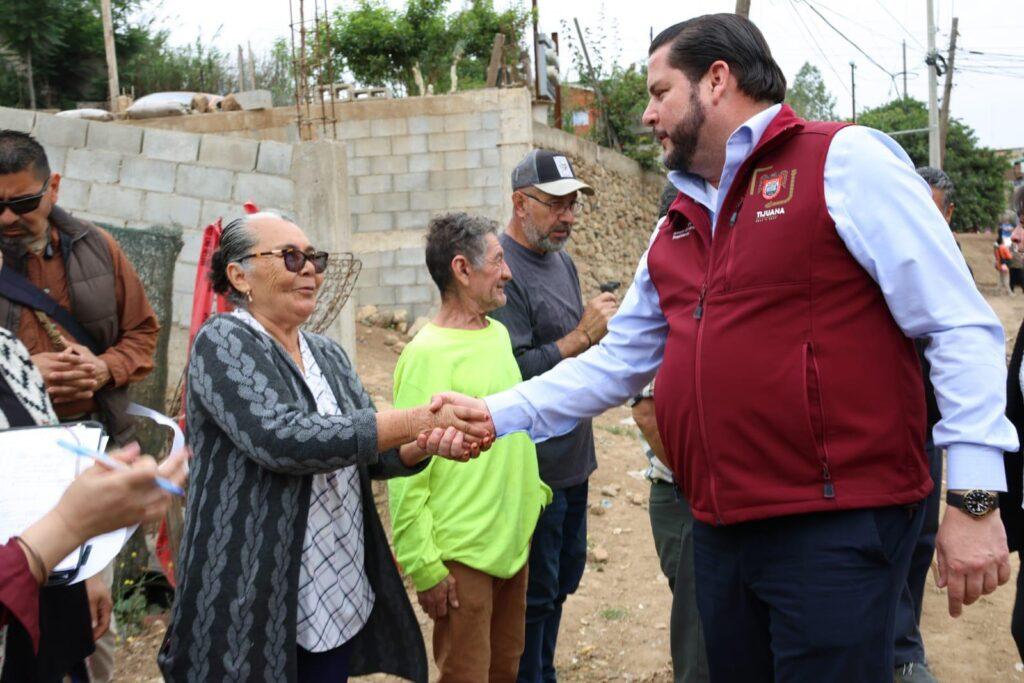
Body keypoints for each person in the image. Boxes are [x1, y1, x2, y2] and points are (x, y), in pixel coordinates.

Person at [435, 14, 1017, 681]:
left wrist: (974, 494)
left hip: (836, 528)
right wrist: (497, 413)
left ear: (717, 80)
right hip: (718, 527)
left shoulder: (843, 160)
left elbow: (957, 324)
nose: (647, 114)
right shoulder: (676, 224)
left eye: (659, 93)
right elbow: (619, 361)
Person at [158, 212, 493, 683]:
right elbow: (284, 439)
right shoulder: (224, 341)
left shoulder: (327, 354)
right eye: (291, 257)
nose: (310, 269)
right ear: (239, 275)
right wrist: (417, 417)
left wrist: (425, 443)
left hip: (332, 587)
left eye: (314, 258)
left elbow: (371, 454)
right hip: (253, 596)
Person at [0, 129, 161, 681]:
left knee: (90, 634)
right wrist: (21, 376)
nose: (7, 219)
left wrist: (106, 367)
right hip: (10, 475)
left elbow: (142, 333)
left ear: (54, 187)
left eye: (22, 203)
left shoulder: (97, 247)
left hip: (87, 462)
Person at [388, 212, 551, 681]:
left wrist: (532, 496)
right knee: (466, 674)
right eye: (498, 261)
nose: (508, 272)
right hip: (461, 557)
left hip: (511, 543)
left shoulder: (497, 335)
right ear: (462, 269)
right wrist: (423, 564)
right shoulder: (426, 353)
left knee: (506, 668)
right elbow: (403, 465)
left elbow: (512, 430)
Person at [487, 148, 615, 682]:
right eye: (557, 204)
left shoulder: (561, 261)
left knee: (561, 582)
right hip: (532, 471)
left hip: (572, 460)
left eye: (573, 205)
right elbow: (511, 372)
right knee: (533, 596)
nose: (568, 217)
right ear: (521, 203)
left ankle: (545, 671)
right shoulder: (501, 271)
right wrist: (580, 337)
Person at [0, 318, 185, 681]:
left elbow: (47, 473)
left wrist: (82, 569)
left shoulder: (7, 348)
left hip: (46, 589)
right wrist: (69, 527)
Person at [891, 166, 961, 683]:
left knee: (920, 541)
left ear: (948, 214)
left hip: (927, 437)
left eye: (931, 209)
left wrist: (976, 503)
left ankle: (904, 645)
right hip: (882, 439)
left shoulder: (953, 273)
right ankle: (897, 651)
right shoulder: (879, 261)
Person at [630, 381, 708, 683]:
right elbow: (645, 413)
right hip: (688, 496)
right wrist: (703, 483)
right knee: (701, 650)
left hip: (705, 495)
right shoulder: (665, 333)